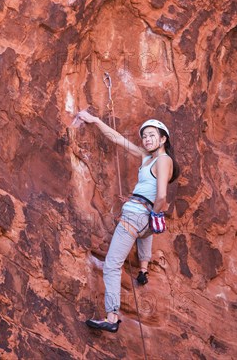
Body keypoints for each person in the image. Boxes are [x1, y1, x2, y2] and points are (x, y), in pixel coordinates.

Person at [74, 111, 179, 333]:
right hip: (142, 216)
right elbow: (117, 139)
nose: (147, 139)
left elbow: (161, 196)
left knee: (112, 265)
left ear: (163, 140)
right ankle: (143, 268)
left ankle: (112, 317)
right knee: (145, 233)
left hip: (136, 214)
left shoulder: (163, 159)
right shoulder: (147, 156)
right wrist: (95, 120)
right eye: (145, 136)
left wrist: (156, 214)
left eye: (152, 135)